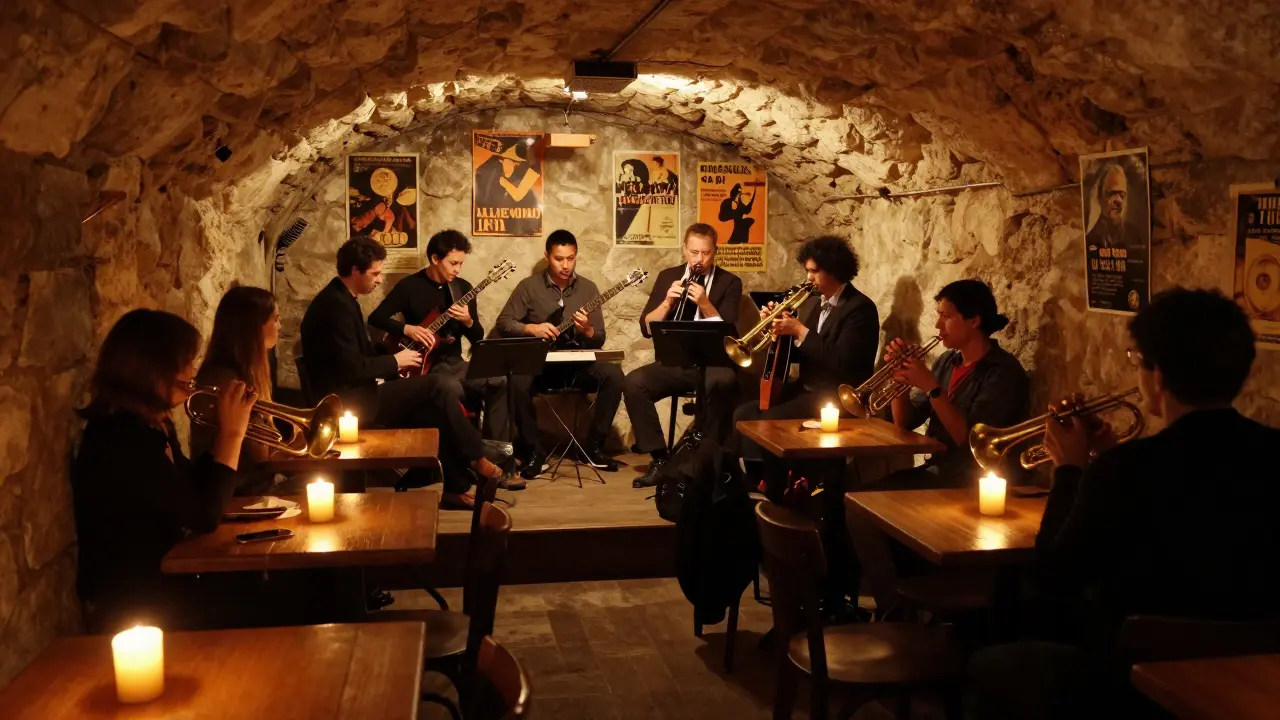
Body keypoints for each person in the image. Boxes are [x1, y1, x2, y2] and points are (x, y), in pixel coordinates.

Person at [970, 287, 1280, 719]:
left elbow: (1052, 575)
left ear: (1158, 377)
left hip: (1127, 679)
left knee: (991, 662)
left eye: (1137, 363)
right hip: (1250, 667)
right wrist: (1100, 458)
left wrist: (1069, 470)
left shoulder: (1128, 468)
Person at [71, 309, 258, 633]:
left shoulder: (153, 424)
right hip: (137, 605)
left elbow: (190, 489)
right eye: (185, 363)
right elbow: (203, 515)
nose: (192, 372)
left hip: (165, 582)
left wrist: (221, 436)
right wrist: (231, 435)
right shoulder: (119, 438)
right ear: (151, 370)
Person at [300, 237, 505, 509]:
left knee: (435, 411)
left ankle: (455, 489)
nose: (378, 279)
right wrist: (395, 362)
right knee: (437, 385)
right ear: (354, 271)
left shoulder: (343, 298)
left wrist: (392, 360)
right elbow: (351, 368)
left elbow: (357, 356)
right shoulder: (334, 307)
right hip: (346, 404)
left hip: (357, 393)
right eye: (374, 273)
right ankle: (476, 457)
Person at [367, 229, 517, 487]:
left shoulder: (463, 289)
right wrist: (407, 328)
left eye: (461, 263)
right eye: (453, 263)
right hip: (427, 368)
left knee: (500, 381)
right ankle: (467, 461)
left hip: (456, 363)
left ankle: (500, 462)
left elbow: (477, 337)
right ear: (435, 259)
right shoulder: (409, 286)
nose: (457, 269)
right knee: (447, 389)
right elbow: (376, 318)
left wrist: (468, 320)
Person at [733, 235, 879, 492]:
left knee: (771, 421)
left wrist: (799, 330)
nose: (808, 278)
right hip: (808, 388)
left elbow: (842, 362)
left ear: (835, 271)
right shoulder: (815, 304)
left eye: (814, 271)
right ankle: (758, 480)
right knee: (744, 413)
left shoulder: (860, 309)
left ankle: (777, 487)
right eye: (807, 270)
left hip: (835, 396)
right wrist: (779, 330)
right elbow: (804, 353)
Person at [496, 230, 625, 478]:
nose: (566, 265)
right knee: (517, 381)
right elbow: (504, 323)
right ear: (547, 256)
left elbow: (599, 337)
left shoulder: (588, 288)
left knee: (614, 376)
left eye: (571, 258)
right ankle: (534, 450)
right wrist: (532, 328)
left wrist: (586, 329)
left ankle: (595, 446)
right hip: (541, 366)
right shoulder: (529, 287)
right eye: (559, 258)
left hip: (577, 365)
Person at [624, 223, 743, 487]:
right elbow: (647, 327)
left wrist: (705, 303)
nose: (699, 259)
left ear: (715, 252)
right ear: (684, 250)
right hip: (678, 363)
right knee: (634, 383)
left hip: (714, 364)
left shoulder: (729, 282)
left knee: (723, 383)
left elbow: (730, 332)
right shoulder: (668, 276)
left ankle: (701, 462)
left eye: (706, 253)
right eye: (694, 252)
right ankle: (660, 459)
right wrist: (667, 302)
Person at [881, 279, 1029, 489]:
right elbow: (905, 422)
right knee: (855, 497)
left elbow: (970, 442)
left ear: (974, 321)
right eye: (939, 315)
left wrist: (932, 388)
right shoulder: (947, 362)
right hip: (937, 471)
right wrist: (899, 380)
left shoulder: (1003, 372)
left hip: (971, 482)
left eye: (946, 316)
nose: (938, 325)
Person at [190, 285, 287, 495]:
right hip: (239, 492)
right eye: (275, 319)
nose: (280, 326)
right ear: (254, 327)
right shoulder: (226, 381)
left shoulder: (243, 371)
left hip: (253, 484)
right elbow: (260, 454)